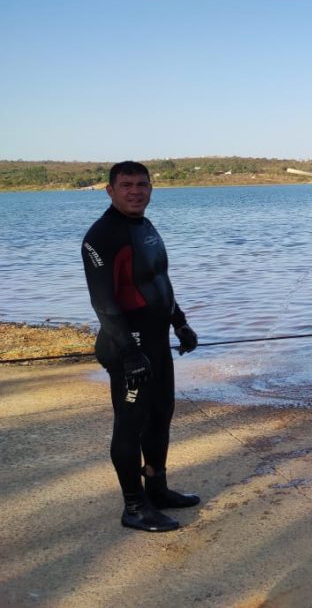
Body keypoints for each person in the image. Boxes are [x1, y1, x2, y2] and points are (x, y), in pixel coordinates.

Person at [81, 161, 201, 533]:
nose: (136, 191)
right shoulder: (100, 237)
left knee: (161, 414)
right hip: (126, 346)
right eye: (127, 185)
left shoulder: (144, 226)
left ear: (151, 188)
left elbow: (159, 280)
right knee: (130, 425)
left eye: (142, 184)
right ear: (110, 190)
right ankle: (134, 506)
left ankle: (157, 489)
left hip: (155, 340)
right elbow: (103, 301)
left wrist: (179, 321)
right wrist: (129, 351)